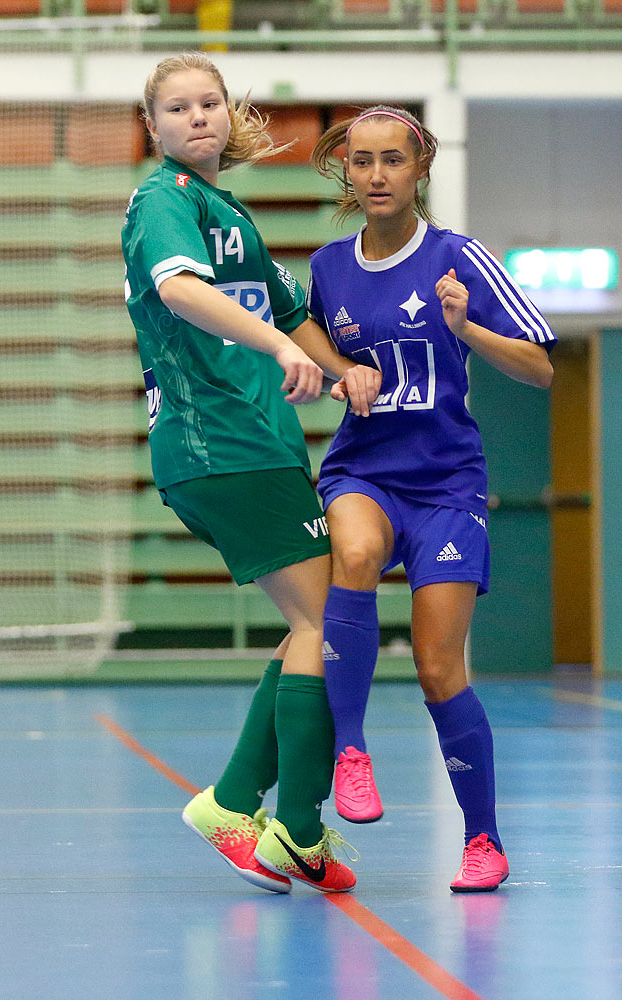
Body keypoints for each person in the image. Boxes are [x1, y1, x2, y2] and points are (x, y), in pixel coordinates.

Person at [121, 52, 380, 894]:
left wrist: (345, 374)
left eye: (209, 103)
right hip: (217, 442)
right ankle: (289, 824)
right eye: (177, 108)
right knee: (329, 623)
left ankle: (239, 801)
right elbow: (183, 292)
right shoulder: (163, 202)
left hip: (260, 442)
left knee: (314, 622)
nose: (197, 117)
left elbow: (291, 311)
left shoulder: (227, 209)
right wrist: (272, 346)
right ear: (153, 126)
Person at [300, 105, 556, 892]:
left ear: (420, 170)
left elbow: (542, 369)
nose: (376, 175)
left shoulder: (459, 257)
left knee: (441, 667)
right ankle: (351, 750)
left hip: (446, 484)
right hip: (362, 471)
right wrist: (344, 372)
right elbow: (308, 333)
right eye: (362, 161)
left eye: (392, 161)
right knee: (353, 550)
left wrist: (466, 328)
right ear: (346, 170)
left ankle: (484, 841)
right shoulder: (328, 266)